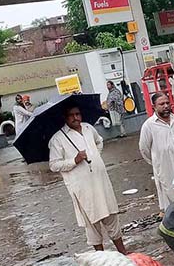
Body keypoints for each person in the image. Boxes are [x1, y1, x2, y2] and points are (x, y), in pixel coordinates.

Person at [48, 105, 128, 254]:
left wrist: (95, 155)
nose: (75, 117)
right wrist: (74, 160)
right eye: (71, 115)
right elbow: (53, 165)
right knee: (92, 221)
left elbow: (99, 141)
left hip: (100, 180)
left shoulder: (88, 128)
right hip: (82, 187)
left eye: (78, 114)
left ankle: (123, 252)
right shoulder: (58, 138)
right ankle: (101, 258)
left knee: (111, 215)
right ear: (65, 118)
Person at [139, 92, 174, 212]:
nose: (166, 106)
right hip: (165, 170)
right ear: (154, 106)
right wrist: (158, 162)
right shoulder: (149, 126)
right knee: (172, 204)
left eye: (167, 103)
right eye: (162, 104)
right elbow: (144, 149)